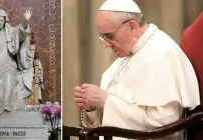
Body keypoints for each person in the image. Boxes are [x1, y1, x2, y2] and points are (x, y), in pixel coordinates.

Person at [74, 0, 200, 139]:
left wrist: (106, 101)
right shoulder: (129, 53)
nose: (106, 44)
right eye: (102, 37)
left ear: (132, 27)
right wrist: (93, 106)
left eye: (109, 36)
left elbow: (162, 121)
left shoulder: (162, 53)